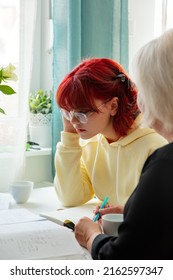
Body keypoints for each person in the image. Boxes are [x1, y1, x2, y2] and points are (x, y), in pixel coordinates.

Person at [74, 29, 173, 259]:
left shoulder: (164, 163)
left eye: (142, 88)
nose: (136, 99)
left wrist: (91, 236)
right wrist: (134, 213)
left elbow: (120, 260)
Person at [54, 57, 167, 208]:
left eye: (82, 113)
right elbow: (69, 198)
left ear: (113, 106)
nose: (73, 121)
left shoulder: (155, 146)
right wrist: (69, 136)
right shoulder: (91, 142)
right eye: (67, 112)